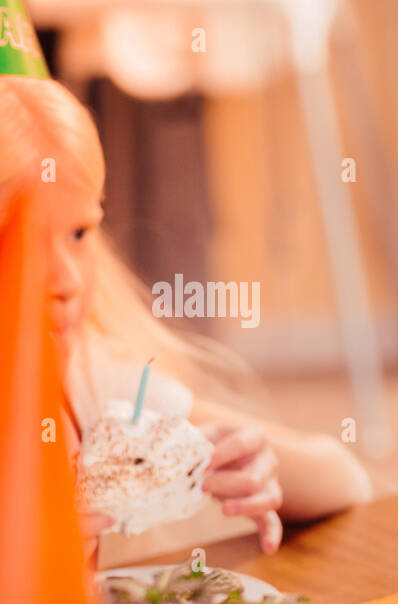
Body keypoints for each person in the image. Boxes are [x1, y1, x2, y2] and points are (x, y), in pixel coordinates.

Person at [1, 61, 372, 560]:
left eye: (79, 234)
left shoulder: (89, 382)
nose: (66, 281)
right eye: (21, 242)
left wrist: (255, 463)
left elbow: (344, 481)